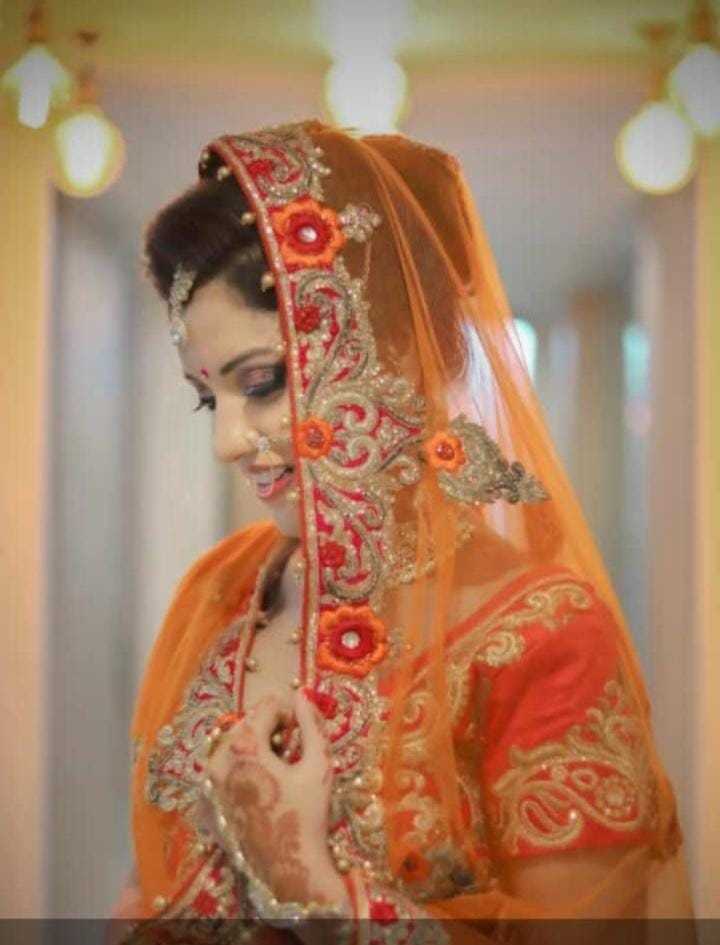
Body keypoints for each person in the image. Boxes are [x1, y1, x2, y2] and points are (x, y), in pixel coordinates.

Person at [112, 120, 695, 944]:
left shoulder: (543, 636)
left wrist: (321, 894)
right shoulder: (218, 591)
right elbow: (148, 880)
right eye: (211, 399)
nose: (229, 441)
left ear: (399, 352)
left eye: (264, 382)